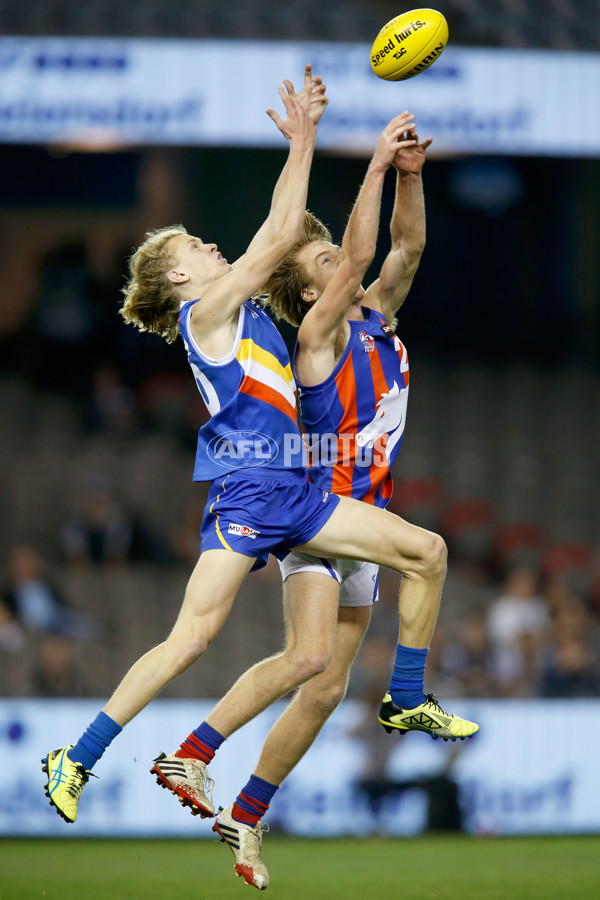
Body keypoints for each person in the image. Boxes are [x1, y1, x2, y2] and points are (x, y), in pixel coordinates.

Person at [42, 73, 474, 867]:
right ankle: (405, 699)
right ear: (177, 279)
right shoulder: (205, 311)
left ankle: (129, 757)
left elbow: (321, 253)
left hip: (279, 490)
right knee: (204, 635)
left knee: (264, 652)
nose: (210, 247)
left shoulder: (243, 316)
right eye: (194, 249)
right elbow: (278, 238)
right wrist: (309, 142)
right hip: (264, 488)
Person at [151, 115, 478, 889]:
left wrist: (409, 174)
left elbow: (404, 249)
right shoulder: (319, 336)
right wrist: (368, 165)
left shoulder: (379, 317)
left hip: (361, 511)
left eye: (336, 254)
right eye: (325, 262)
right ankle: (400, 698)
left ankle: (243, 809)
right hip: (322, 511)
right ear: (308, 290)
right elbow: (363, 254)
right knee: (419, 561)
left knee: (320, 680)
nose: (344, 265)